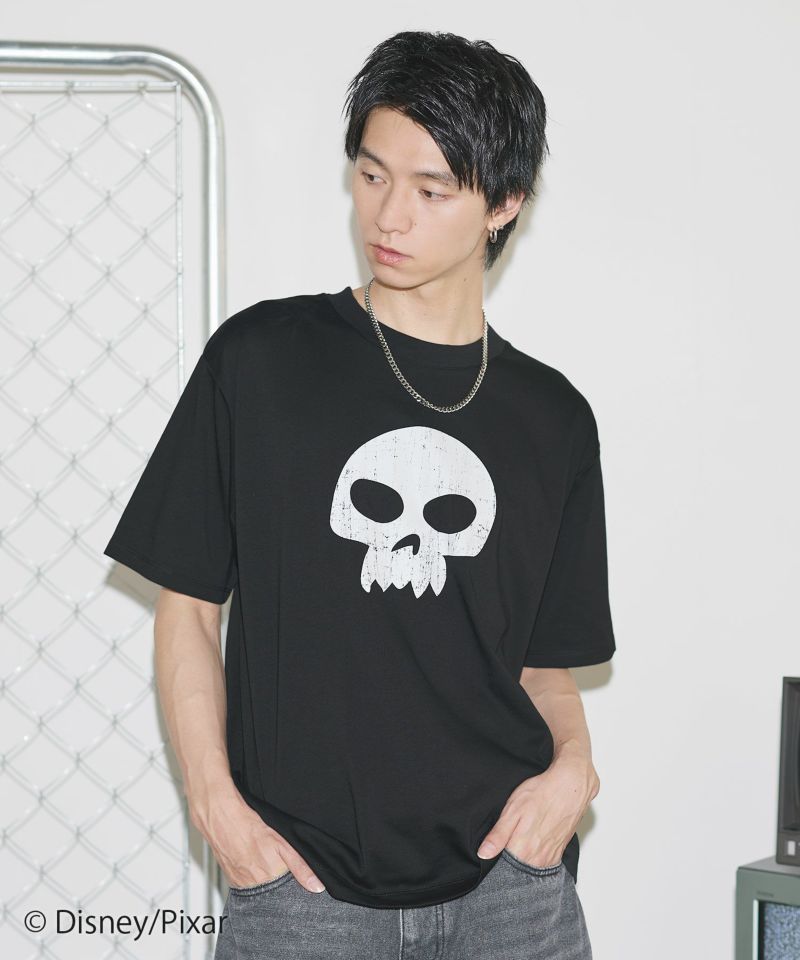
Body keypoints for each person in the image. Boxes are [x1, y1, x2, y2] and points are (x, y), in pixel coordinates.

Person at [104, 29, 616, 960]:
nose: (389, 214)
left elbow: (546, 665)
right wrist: (216, 809)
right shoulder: (259, 363)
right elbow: (188, 609)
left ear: (504, 203)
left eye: (432, 190)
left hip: (512, 889)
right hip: (302, 890)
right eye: (373, 175)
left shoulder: (554, 418)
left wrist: (572, 774)